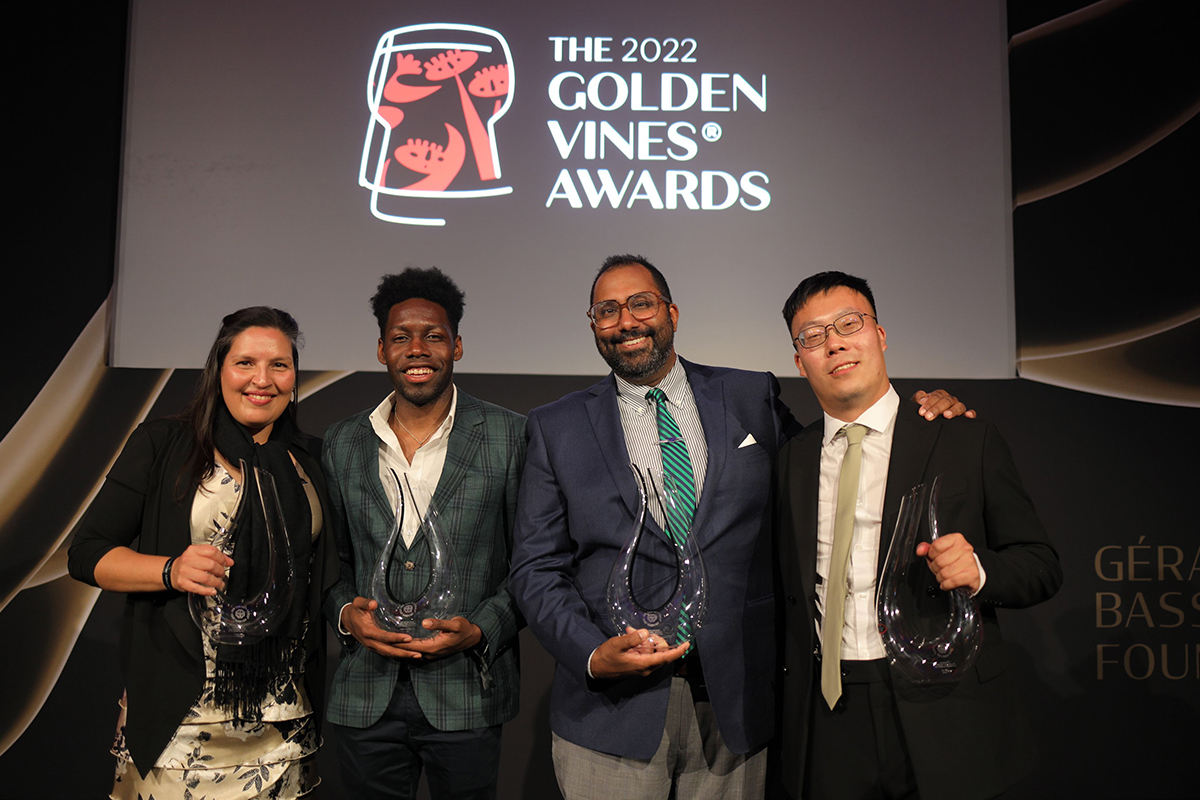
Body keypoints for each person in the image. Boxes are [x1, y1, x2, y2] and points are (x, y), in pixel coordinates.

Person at [509, 255, 967, 800]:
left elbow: (832, 458)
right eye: (607, 311)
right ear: (593, 325)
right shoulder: (555, 425)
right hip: (610, 715)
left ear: (672, 313)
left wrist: (918, 412)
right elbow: (536, 568)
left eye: (641, 304)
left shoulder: (749, 396)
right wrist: (591, 653)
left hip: (737, 705)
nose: (626, 321)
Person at [774, 271, 1063, 800]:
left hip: (945, 710)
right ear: (800, 361)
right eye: (812, 336)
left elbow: (1040, 564)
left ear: (879, 335)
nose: (834, 342)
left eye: (848, 324)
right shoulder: (790, 458)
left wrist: (977, 570)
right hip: (827, 718)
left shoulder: (963, 438)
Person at [68, 306, 339, 798]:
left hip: (282, 721)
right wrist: (171, 569)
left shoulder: (312, 458)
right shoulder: (163, 443)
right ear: (219, 370)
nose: (263, 379)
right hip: (183, 720)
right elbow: (86, 553)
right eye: (245, 363)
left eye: (279, 365)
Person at [322, 267, 525, 800]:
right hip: (366, 692)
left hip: (467, 691)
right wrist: (347, 615)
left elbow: (533, 562)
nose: (417, 349)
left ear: (457, 347)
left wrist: (481, 629)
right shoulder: (343, 442)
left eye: (433, 336)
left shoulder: (510, 435)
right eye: (400, 338)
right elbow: (330, 565)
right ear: (382, 350)